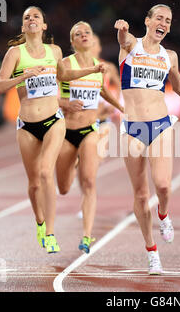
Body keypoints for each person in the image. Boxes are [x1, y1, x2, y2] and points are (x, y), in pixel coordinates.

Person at [0, 6, 105, 254]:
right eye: (26, 18)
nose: (31, 19)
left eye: (36, 17)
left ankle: (51, 234)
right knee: (34, 184)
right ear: (23, 27)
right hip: (27, 125)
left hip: (54, 119)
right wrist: (22, 77)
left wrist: (91, 70)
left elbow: (66, 76)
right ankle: (41, 223)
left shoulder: (55, 51)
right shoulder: (15, 53)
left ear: (44, 26)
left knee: (46, 172)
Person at [114, 4, 180, 274]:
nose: (163, 23)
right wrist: (122, 30)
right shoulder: (130, 46)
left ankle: (164, 215)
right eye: (159, 18)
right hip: (132, 127)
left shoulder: (169, 55)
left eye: (168, 20)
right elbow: (123, 38)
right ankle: (151, 251)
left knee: (164, 187)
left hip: (160, 124)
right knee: (140, 194)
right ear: (147, 21)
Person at [56, 21, 123, 254]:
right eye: (78, 34)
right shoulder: (65, 64)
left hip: (89, 130)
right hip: (65, 133)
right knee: (63, 188)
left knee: (90, 181)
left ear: (93, 38)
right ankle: (72, 164)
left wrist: (123, 108)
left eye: (87, 32)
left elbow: (104, 91)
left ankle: (86, 236)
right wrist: (65, 103)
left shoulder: (99, 67)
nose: (83, 35)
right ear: (72, 42)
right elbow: (49, 96)